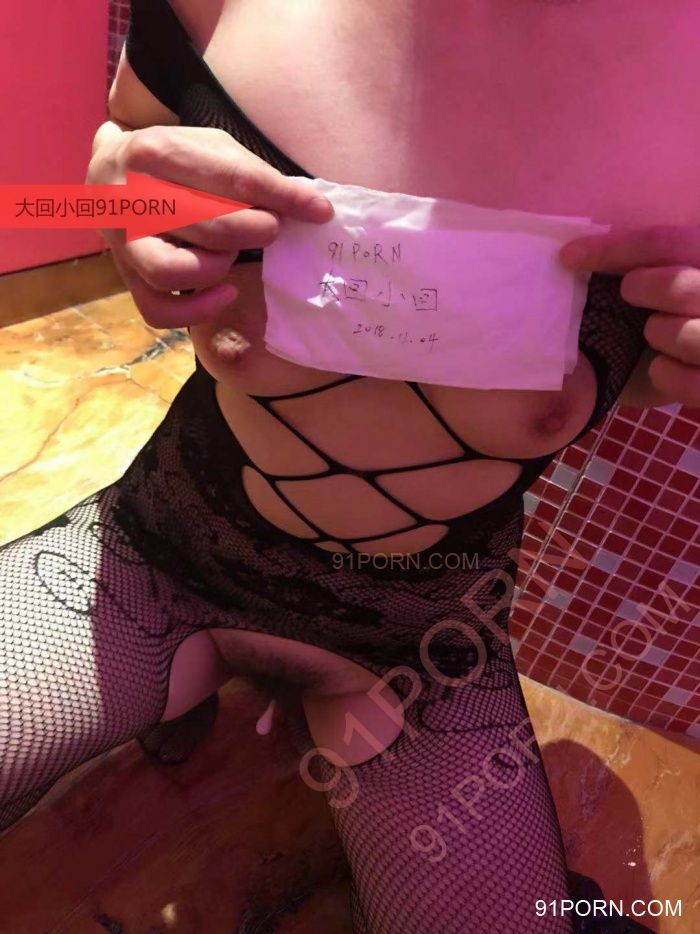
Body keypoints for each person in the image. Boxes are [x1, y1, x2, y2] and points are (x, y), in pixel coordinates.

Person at [2, 1, 698, 931]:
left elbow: (640, 371)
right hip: (156, 560)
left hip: (420, 649)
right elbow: (59, 198)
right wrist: (113, 202)